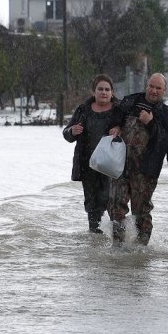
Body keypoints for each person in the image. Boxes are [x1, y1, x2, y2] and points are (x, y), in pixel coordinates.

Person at [107, 73, 168, 245]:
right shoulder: (131, 101)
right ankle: (118, 246)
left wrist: (151, 123)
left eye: (158, 88)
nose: (153, 90)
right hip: (120, 166)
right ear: (146, 86)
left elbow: (166, 144)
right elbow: (114, 117)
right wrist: (114, 126)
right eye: (151, 86)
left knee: (141, 212)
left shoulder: (166, 113)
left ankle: (141, 251)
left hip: (145, 172)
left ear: (164, 90)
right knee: (116, 205)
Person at [62, 74, 117, 234]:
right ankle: (95, 236)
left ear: (112, 92)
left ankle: (117, 238)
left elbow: (131, 130)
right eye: (100, 89)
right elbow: (66, 134)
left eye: (107, 89)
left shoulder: (119, 110)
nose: (104, 92)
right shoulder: (83, 109)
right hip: (88, 165)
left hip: (111, 166)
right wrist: (72, 131)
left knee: (111, 201)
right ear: (94, 92)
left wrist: (120, 129)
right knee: (92, 204)